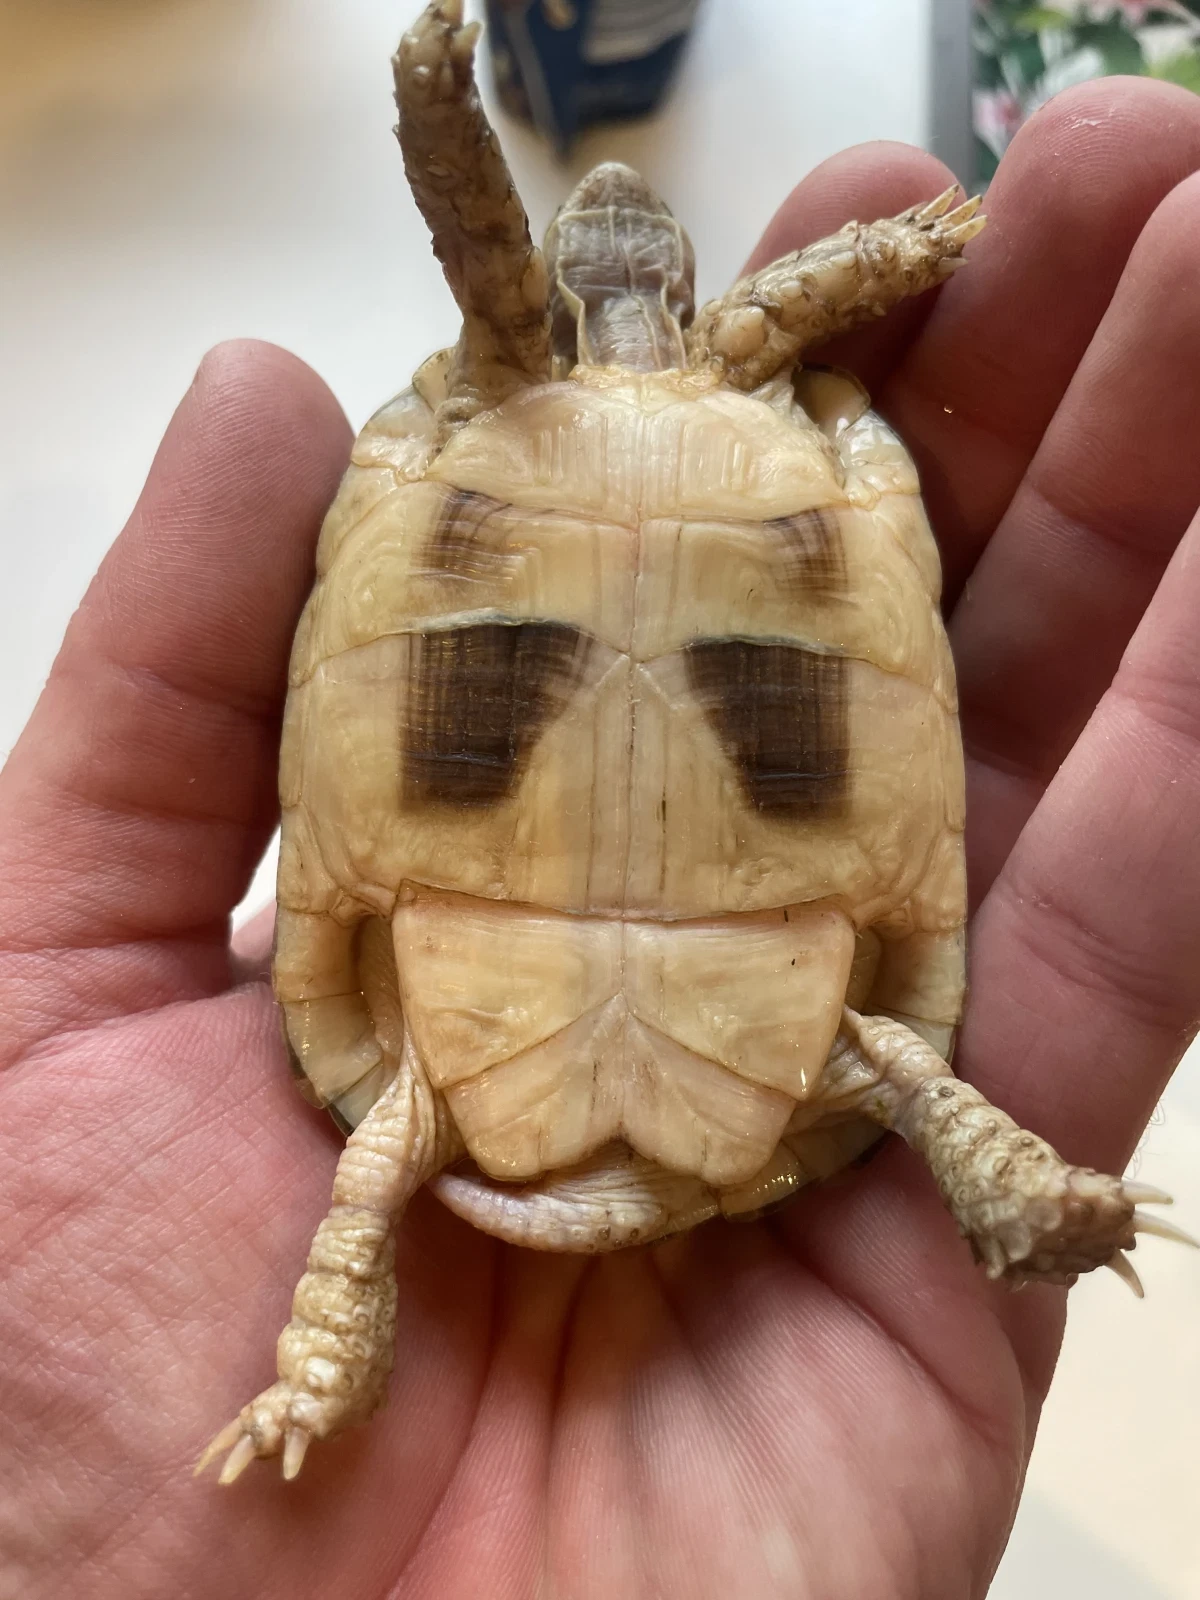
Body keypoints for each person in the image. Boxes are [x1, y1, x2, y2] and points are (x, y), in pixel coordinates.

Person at [3, 75, 1200, 1599]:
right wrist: (928, 240)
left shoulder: (492, 391)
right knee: (883, 1058)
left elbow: (499, 270)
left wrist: (440, 110)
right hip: (773, 975)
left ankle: (328, 1363)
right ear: (687, 287)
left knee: (382, 1168)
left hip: (469, 993)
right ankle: (1000, 1177)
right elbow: (775, 294)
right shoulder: (761, 388)